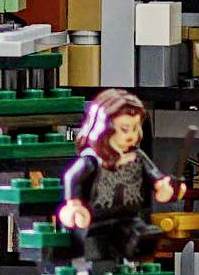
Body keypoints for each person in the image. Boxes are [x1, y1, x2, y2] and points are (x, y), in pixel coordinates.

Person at [56, 89, 183, 264]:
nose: (131, 135)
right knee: (97, 254)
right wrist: (74, 204)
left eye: (135, 128)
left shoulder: (137, 157)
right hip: (96, 222)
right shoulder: (93, 160)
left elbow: (155, 176)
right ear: (105, 128)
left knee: (144, 241)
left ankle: (131, 268)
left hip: (129, 219)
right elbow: (72, 177)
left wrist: (165, 186)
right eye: (124, 129)